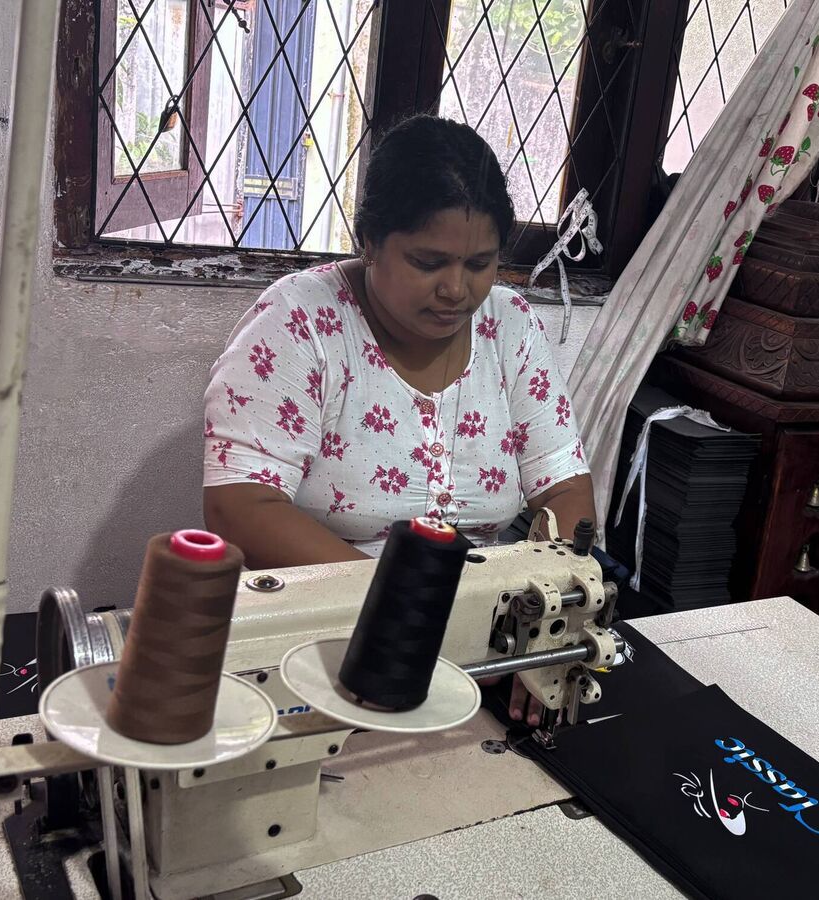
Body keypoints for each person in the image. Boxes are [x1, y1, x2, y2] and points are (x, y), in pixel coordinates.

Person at [202, 115, 596, 724]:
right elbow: (240, 506)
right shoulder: (301, 323)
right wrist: (406, 619)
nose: (457, 290)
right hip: (325, 635)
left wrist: (552, 625)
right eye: (428, 261)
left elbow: (565, 486)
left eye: (480, 264)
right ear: (369, 240)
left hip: (484, 639)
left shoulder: (509, 324)